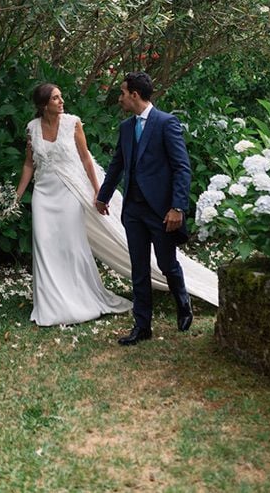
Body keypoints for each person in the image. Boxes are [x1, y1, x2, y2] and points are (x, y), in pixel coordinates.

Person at [16, 83, 132, 326]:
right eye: (55, 98)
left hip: (69, 192)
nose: (61, 101)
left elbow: (85, 158)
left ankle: (79, 297)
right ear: (43, 105)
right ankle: (50, 303)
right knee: (44, 244)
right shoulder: (32, 129)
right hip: (43, 194)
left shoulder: (73, 123)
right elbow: (29, 164)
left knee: (70, 245)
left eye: (61, 96)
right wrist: (17, 196)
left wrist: (98, 191)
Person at [96, 71, 194, 345]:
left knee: (166, 263)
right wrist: (103, 197)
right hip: (133, 212)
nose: (120, 98)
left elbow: (181, 168)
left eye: (122, 93)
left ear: (135, 95)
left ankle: (183, 302)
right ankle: (142, 326)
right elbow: (117, 164)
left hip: (162, 211)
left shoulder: (166, 123)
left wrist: (177, 207)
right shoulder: (126, 128)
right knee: (138, 267)